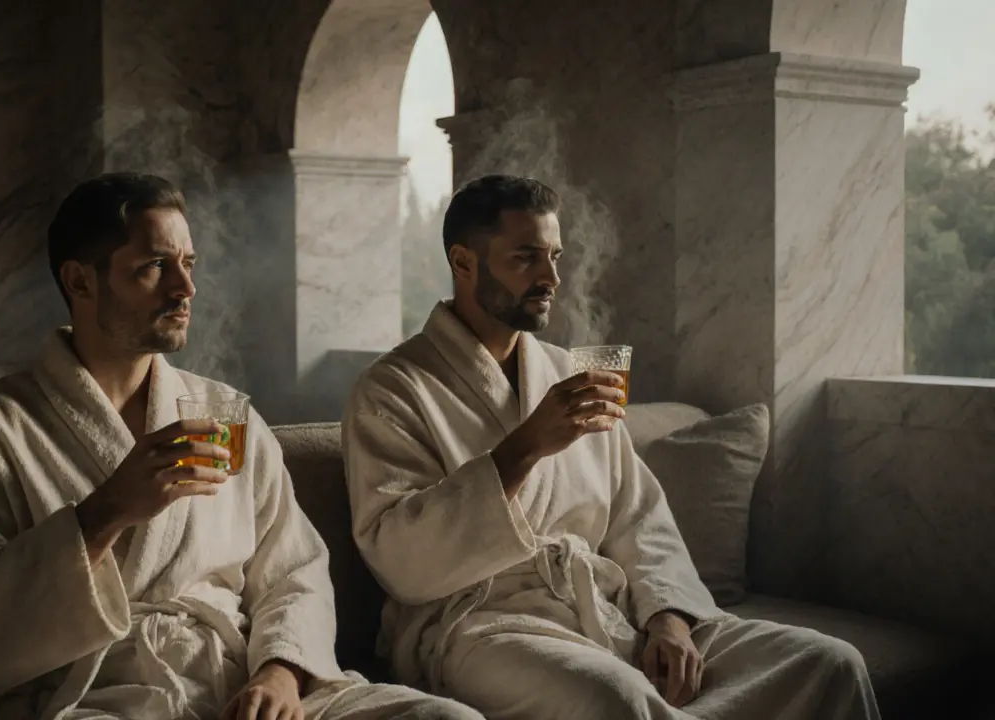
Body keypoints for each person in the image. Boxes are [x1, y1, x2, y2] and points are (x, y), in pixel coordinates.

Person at [0, 172, 482, 720]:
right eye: (156, 266)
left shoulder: (223, 412)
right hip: (103, 695)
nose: (187, 288)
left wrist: (281, 671)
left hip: (241, 685)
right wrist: (105, 513)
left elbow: (295, 570)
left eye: (188, 263)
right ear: (80, 281)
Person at [341, 174, 880, 720]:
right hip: (481, 625)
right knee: (615, 700)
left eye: (554, 256)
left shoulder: (564, 371)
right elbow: (399, 558)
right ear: (463, 262)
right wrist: (524, 447)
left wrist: (666, 614)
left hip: (604, 608)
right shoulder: (392, 389)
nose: (551, 277)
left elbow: (637, 515)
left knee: (829, 663)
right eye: (526, 257)